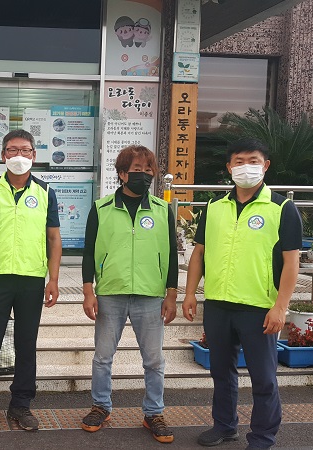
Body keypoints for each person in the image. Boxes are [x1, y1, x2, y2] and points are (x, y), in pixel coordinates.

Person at [182, 138, 301, 450]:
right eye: (238, 160)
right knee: (222, 372)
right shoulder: (214, 207)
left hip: (259, 307)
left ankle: (262, 437)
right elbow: (199, 253)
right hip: (219, 304)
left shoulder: (281, 208)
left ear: (265, 165)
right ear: (229, 167)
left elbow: (291, 262)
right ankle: (224, 426)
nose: (245, 166)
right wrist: (190, 293)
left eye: (253, 160)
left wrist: (281, 306)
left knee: (263, 379)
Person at [0, 129, 62, 433]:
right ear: (3, 155)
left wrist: (53, 279)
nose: (19, 156)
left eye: (26, 150)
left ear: (34, 155)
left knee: (25, 344)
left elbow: (54, 238)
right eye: (12, 150)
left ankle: (21, 405)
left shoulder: (45, 192)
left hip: (32, 279)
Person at [78, 145, 178, 443]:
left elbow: (172, 255)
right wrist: (87, 290)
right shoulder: (101, 208)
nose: (144, 175)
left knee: (154, 360)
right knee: (103, 357)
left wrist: (171, 294)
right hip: (111, 292)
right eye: (137, 170)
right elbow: (88, 250)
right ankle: (100, 406)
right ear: (122, 174)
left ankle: (154, 412)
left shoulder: (162, 210)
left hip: (150, 294)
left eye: (149, 170)